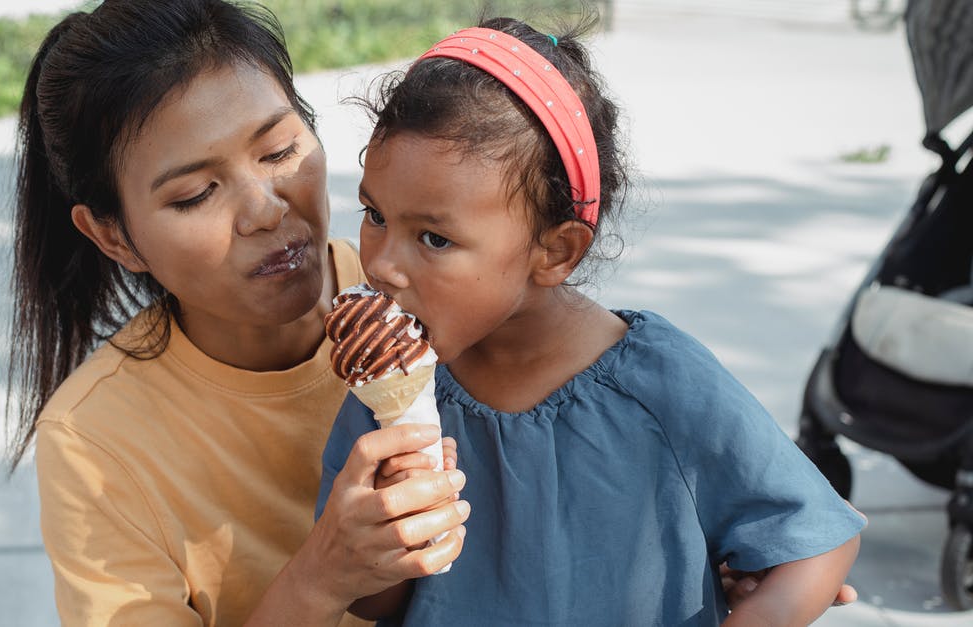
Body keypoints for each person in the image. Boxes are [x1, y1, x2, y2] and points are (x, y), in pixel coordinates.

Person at [316, 15, 865, 626]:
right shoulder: (386, 390)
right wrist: (390, 524)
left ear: (556, 251)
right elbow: (369, 601)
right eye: (374, 215)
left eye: (434, 238)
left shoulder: (662, 382)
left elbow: (817, 541)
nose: (382, 265)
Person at [6, 1, 468, 625]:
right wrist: (322, 577)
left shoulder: (430, 289)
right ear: (113, 237)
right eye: (196, 193)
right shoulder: (95, 442)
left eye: (278, 151)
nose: (265, 210)